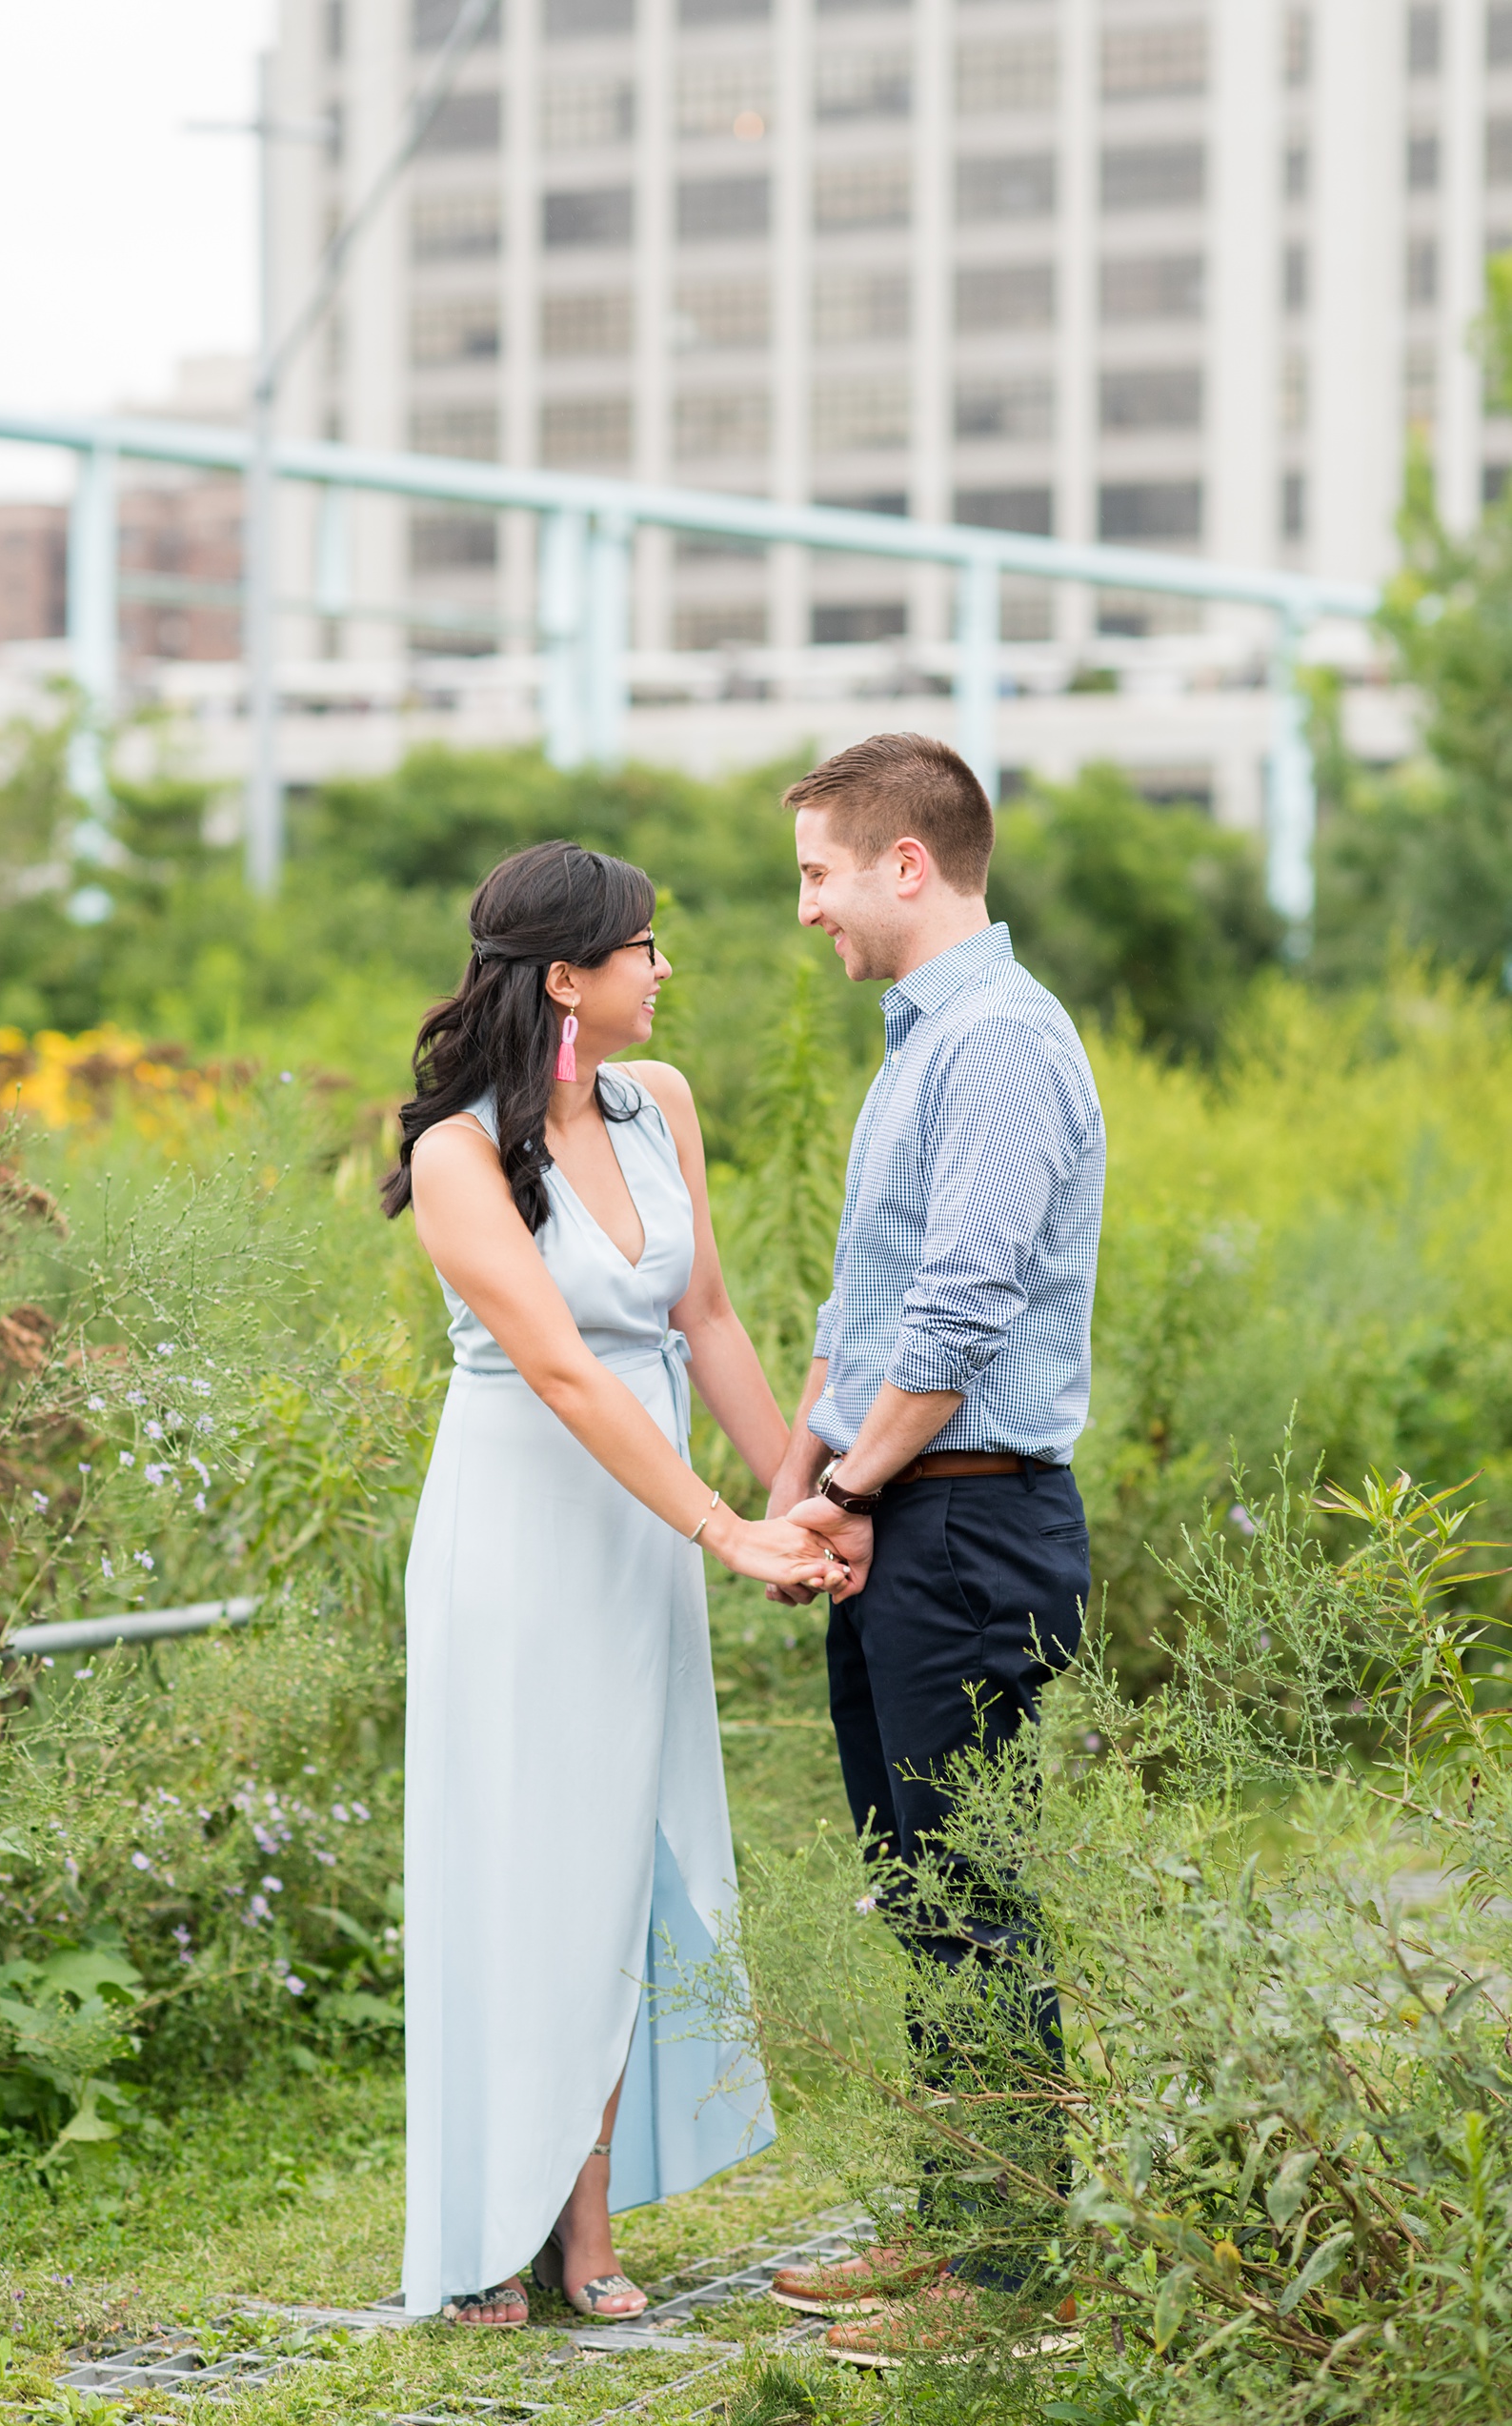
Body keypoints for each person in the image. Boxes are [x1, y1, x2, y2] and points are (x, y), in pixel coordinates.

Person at [382, 839, 850, 2330]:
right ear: (568, 978)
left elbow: (704, 1316)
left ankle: (581, 2228)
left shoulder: (666, 1108)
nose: (665, 968)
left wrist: (808, 1502)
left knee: (617, 1863)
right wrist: (725, 1528)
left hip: (647, 1535)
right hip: (522, 1534)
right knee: (518, 1864)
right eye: (642, 947)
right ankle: (484, 2226)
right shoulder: (460, 1153)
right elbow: (571, 1375)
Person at [759, 734, 1105, 2355]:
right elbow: (867, 1302)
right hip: (912, 1504)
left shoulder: (1001, 1043)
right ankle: (961, 2215)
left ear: (910, 863)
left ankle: (1009, 2286)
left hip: (969, 1513)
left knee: (977, 1892)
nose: (807, 906)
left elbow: (962, 1306)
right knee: (922, 1888)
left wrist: (851, 1488)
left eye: (821, 871)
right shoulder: (926, 1043)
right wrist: (812, 1481)